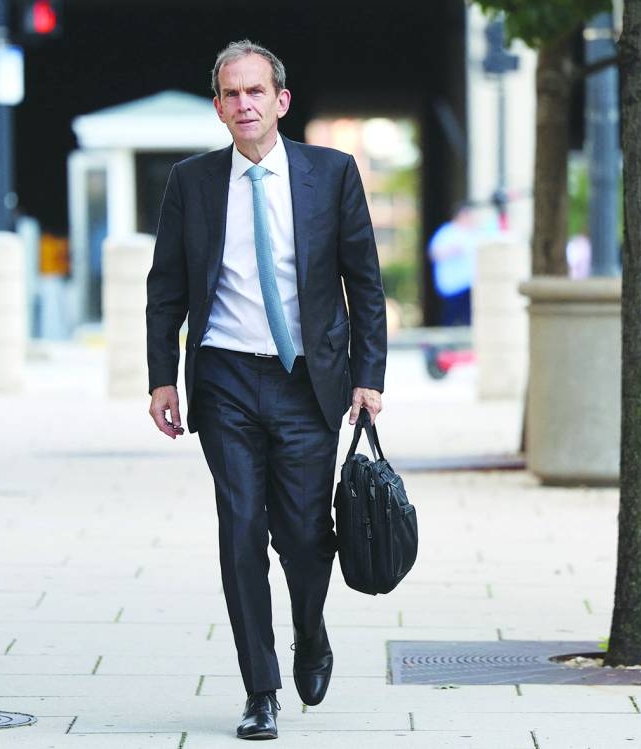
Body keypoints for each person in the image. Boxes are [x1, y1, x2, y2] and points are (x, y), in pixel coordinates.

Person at [145, 40, 387, 740]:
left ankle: (310, 632)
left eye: (256, 91)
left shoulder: (330, 174)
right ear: (217, 106)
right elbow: (165, 289)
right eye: (231, 93)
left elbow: (364, 282)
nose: (244, 104)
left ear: (280, 101)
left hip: (305, 379)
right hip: (223, 376)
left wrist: (369, 375)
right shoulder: (191, 183)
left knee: (307, 537)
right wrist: (163, 374)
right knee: (242, 526)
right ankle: (260, 688)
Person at [428, 201, 484, 326]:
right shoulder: (447, 232)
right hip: (452, 286)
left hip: (469, 284)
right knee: (451, 319)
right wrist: (452, 251)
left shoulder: (474, 233)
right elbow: (434, 254)